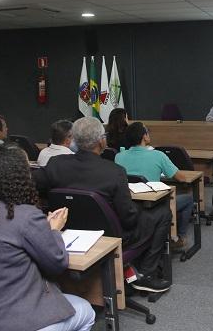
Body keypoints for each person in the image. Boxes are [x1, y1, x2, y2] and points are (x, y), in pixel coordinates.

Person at [0, 144, 95, 331]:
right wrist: (54, 230)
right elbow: (57, 264)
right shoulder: (26, 216)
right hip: (11, 317)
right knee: (87, 312)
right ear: (21, 177)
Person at [35, 117, 172, 293]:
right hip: (110, 235)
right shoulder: (114, 172)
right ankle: (146, 274)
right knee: (162, 213)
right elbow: (128, 218)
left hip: (68, 232)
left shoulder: (55, 164)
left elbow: (34, 183)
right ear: (101, 140)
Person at [115, 122, 194, 250]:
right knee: (188, 199)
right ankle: (179, 238)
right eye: (147, 132)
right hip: (153, 206)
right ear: (144, 137)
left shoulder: (119, 157)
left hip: (129, 205)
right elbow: (181, 178)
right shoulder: (158, 155)